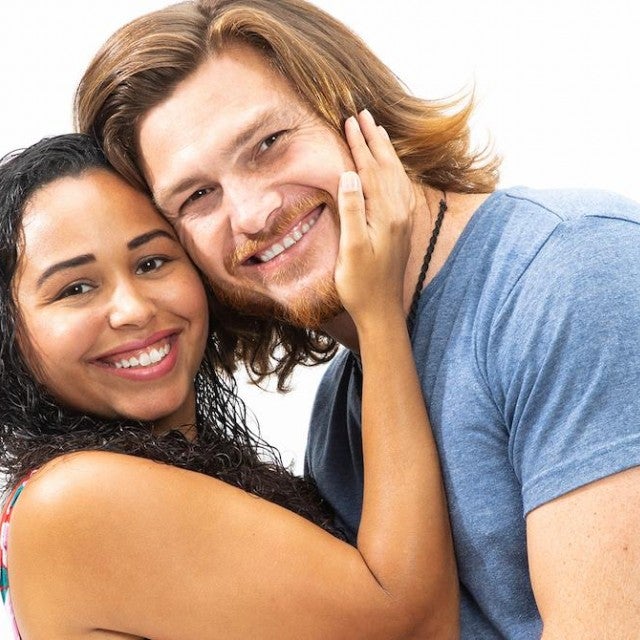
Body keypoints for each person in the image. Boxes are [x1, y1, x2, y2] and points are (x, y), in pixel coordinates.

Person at [75, 0, 640, 637]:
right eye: (198, 195)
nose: (253, 214)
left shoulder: (569, 275)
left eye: (268, 144)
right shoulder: (341, 419)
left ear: (356, 113)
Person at [0, 133, 458, 639]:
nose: (133, 310)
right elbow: (414, 627)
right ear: (9, 333)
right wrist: (376, 313)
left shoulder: (165, 471)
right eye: (76, 288)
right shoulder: (75, 499)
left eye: (151, 262)